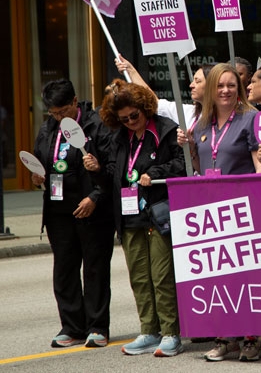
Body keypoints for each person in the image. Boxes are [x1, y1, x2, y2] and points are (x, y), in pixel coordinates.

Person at [88, 80, 187, 357]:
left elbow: (182, 165)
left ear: (145, 108)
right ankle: (149, 331)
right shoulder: (120, 137)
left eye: (135, 115)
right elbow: (112, 175)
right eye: (124, 119)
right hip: (130, 215)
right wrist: (97, 170)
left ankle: (170, 333)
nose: (131, 122)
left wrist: (155, 173)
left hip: (159, 214)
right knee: (140, 278)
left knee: (162, 276)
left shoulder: (166, 131)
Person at [181, 63, 261, 361]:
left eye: (232, 85)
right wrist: (189, 147)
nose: (226, 90)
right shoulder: (201, 123)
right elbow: (199, 165)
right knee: (219, 277)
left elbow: (260, 168)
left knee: (246, 276)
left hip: (243, 210)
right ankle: (224, 336)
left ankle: (250, 338)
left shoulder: (251, 118)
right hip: (211, 212)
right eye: (220, 86)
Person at [33, 80, 115, 349]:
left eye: (63, 111)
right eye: (53, 113)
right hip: (58, 209)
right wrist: (38, 176)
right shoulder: (48, 128)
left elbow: (114, 167)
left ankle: (97, 326)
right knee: (64, 270)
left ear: (75, 101)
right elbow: (42, 157)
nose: (58, 117)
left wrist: (95, 195)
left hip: (91, 209)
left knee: (94, 269)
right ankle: (72, 326)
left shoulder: (96, 125)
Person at [114, 54, 217, 129]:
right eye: (193, 80)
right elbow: (155, 103)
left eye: (198, 81)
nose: (191, 85)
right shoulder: (189, 113)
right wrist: (131, 71)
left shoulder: (229, 116)